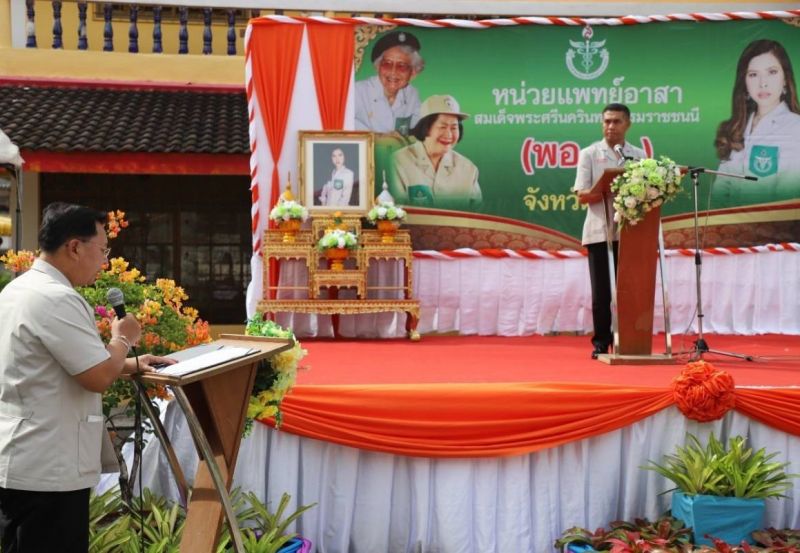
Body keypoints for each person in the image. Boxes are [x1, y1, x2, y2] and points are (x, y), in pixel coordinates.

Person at [0, 202, 173, 553]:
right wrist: (123, 339)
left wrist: (129, 364)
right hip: (49, 465)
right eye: (102, 249)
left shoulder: (18, 289)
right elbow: (95, 376)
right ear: (75, 247)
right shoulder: (55, 298)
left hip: (25, 455)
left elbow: (53, 364)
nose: (106, 261)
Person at [573, 104, 646, 359]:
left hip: (630, 233)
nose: (610, 126)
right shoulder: (590, 154)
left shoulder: (639, 154)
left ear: (628, 124)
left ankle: (629, 340)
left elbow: (648, 191)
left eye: (616, 121)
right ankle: (601, 342)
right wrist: (605, 189)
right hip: (599, 231)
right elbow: (581, 195)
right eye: (606, 121)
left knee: (630, 291)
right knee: (602, 292)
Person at [714, 39, 800, 205]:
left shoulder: (796, 127)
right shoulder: (736, 127)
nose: (763, 83)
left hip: (771, 225)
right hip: (730, 225)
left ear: (785, 79)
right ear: (744, 82)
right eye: (753, 74)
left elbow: (787, 195)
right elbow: (721, 189)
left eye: (772, 72)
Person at [391, 94, 482, 209]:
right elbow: (393, 215)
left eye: (454, 128)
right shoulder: (398, 162)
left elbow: (477, 214)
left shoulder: (468, 169)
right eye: (442, 127)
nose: (449, 135)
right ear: (425, 127)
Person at [355, 30, 424, 136]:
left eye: (402, 66)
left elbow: (417, 130)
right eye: (387, 64)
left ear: (413, 72)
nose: (393, 71)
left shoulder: (412, 94)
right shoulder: (357, 92)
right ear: (378, 67)